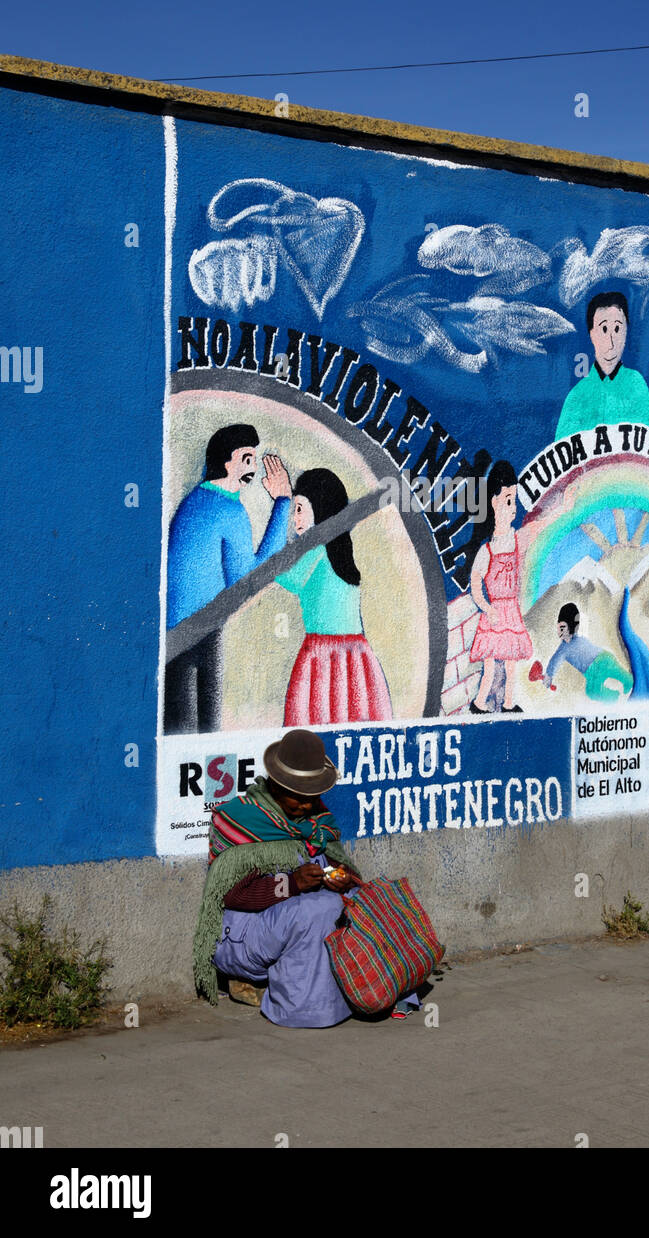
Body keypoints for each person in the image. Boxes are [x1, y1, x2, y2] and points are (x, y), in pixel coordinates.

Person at [193, 728, 418, 1026]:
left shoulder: (315, 820)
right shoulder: (239, 819)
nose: (307, 806)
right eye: (298, 797)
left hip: (290, 922)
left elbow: (342, 869)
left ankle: (378, 989)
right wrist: (293, 883)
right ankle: (306, 1007)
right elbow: (230, 894)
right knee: (318, 909)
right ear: (275, 785)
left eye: (313, 797)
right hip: (241, 937)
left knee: (363, 900)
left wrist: (342, 878)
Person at [165, 425, 291, 734]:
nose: (253, 467)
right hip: (201, 631)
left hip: (177, 631)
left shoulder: (195, 500)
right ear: (226, 462)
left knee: (180, 730)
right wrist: (283, 503)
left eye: (254, 458)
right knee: (203, 733)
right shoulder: (230, 510)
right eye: (246, 458)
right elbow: (248, 581)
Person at [274, 468, 392, 725]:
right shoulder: (339, 551)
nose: (294, 519)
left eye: (299, 508)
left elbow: (287, 577)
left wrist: (279, 503)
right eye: (293, 509)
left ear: (321, 506)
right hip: (356, 654)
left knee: (314, 721)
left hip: (323, 654)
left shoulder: (315, 549)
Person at [467, 460, 577, 714]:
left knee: (511, 665)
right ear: (494, 502)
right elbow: (475, 586)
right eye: (507, 500)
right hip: (495, 615)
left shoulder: (518, 541)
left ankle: (507, 704)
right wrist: (486, 608)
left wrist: (562, 508)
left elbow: (540, 526)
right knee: (491, 666)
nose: (512, 507)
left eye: (513, 499)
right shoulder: (486, 551)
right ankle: (479, 704)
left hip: (511, 612)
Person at [555, 292, 649, 438]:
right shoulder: (579, 394)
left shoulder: (635, 384)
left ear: (626, 331)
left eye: (617, 329)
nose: (611, 340)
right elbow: (561, 449)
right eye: (604, 329)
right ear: (592, 334)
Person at [543, 603, 633, 701]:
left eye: (562, 627)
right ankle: (625, 683)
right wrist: (549, 676)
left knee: (592, 691)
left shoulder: (564, 649)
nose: (560, 631)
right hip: (605, 657)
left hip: (594, 669)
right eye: (559, 627)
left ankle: (615, 698)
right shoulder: (575, 639)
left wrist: (548, 677)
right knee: (617, 673)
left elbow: (554, 663)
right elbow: (554, 662)